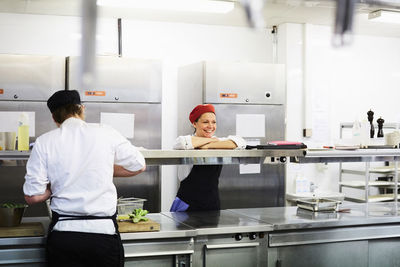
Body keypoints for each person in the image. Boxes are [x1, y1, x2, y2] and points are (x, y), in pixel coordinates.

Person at [23, 90, 146, 267]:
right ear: (82, 109)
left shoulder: (44, 141)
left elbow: (32, 196)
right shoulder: (106, 132)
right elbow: (139, 166)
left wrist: (57, 183)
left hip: (64, 236)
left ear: (54, 117)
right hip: (103, 235)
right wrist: (96, 169)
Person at [170, 104, 246, 212]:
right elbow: (183, 143)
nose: (210, 126)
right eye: (205, 122)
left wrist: (208, 145)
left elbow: (240, 142)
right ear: (194, 123)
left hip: (212, 204)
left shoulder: (216, 140)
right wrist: (214, 141)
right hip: (187, 204)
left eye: (214, 122)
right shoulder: (184, 140)